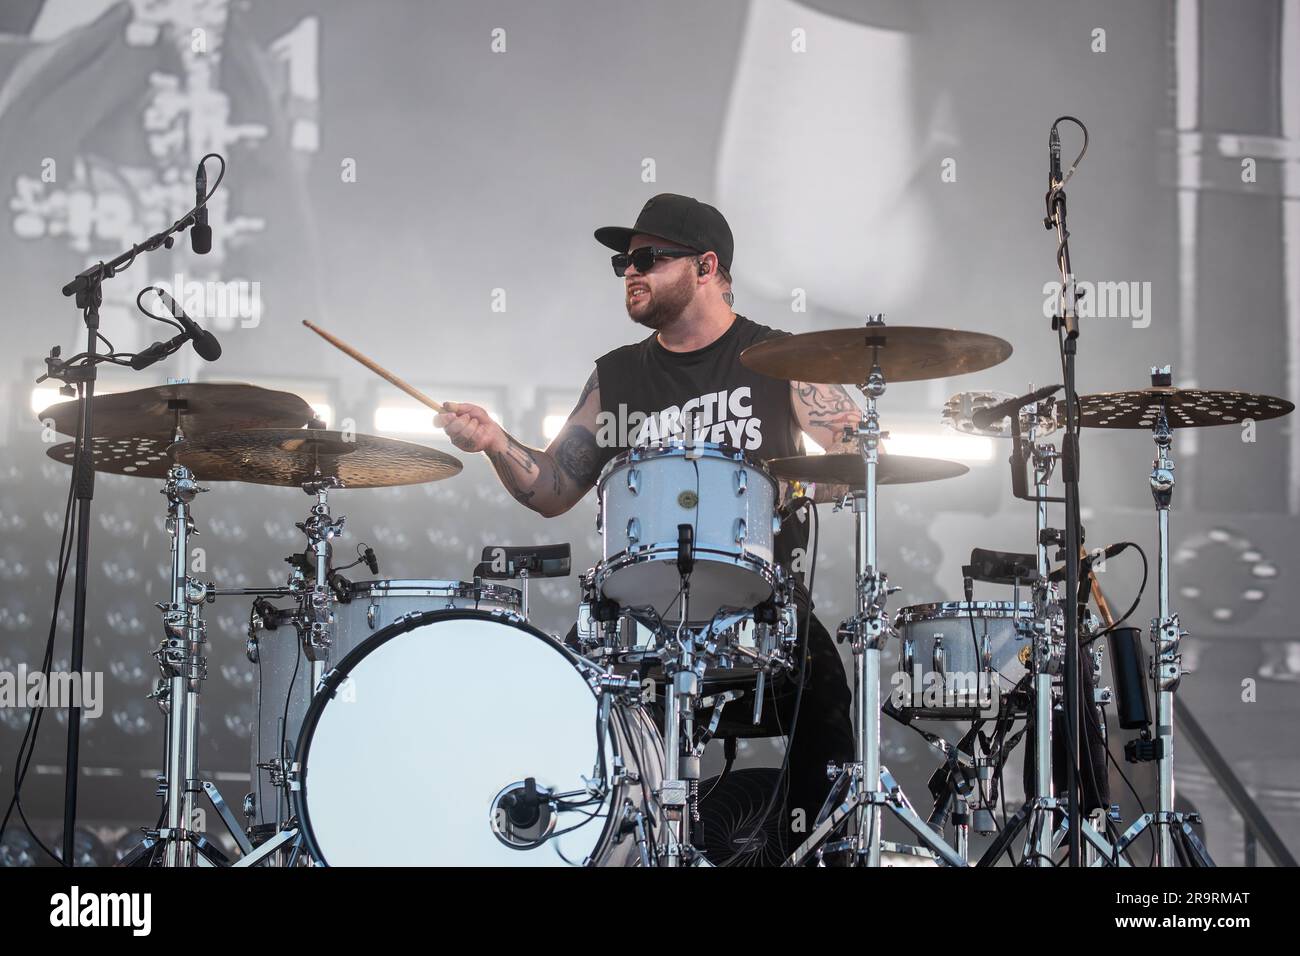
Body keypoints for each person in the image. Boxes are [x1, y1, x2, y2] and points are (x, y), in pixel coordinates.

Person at [435, 193, 855, 855]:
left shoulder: (778, 361)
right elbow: (550, 488)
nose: (630, 271)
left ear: (706, 265)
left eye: (648, 258)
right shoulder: (619, 376)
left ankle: (815, 851)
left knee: (826, 697)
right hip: (637, 612)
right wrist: (493, 441)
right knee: (558, 706)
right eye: (623, 263)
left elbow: (860, 458)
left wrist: (792, 481)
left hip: (762, 604)